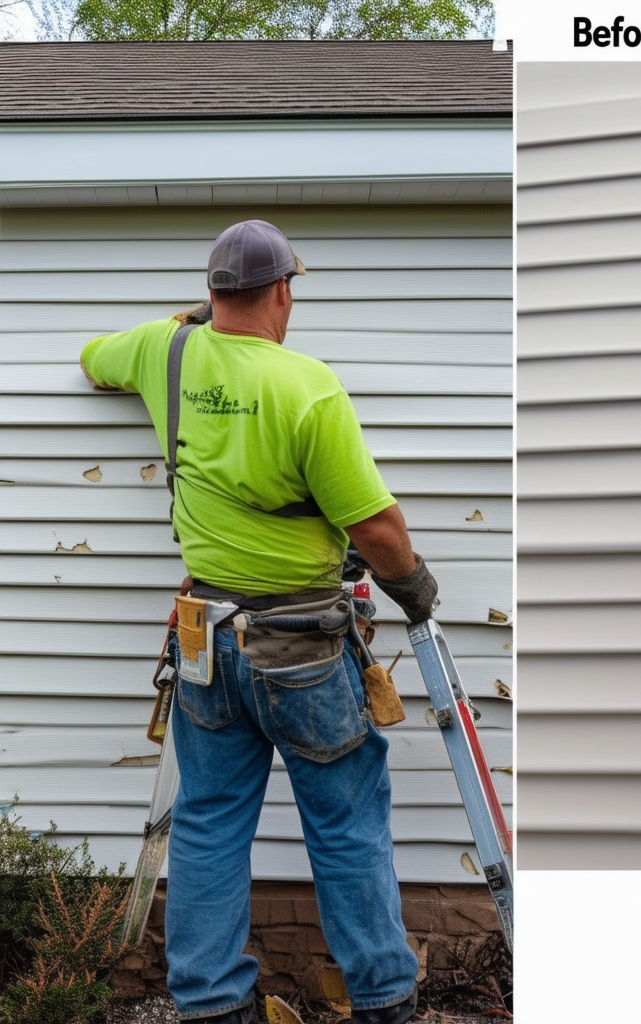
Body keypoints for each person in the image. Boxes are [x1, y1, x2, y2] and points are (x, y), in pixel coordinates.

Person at [81, 220, 436, 1021]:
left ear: (210, 293)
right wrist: (415, 587)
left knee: (207, 821)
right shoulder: (306, 385)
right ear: (282, 290)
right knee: (344, 822)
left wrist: (177, 331)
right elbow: (375, 530)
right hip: (301, 646)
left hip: (205, 635)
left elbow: (92, 357)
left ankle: (210, 1002)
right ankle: (382, 998)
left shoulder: (159, 352)